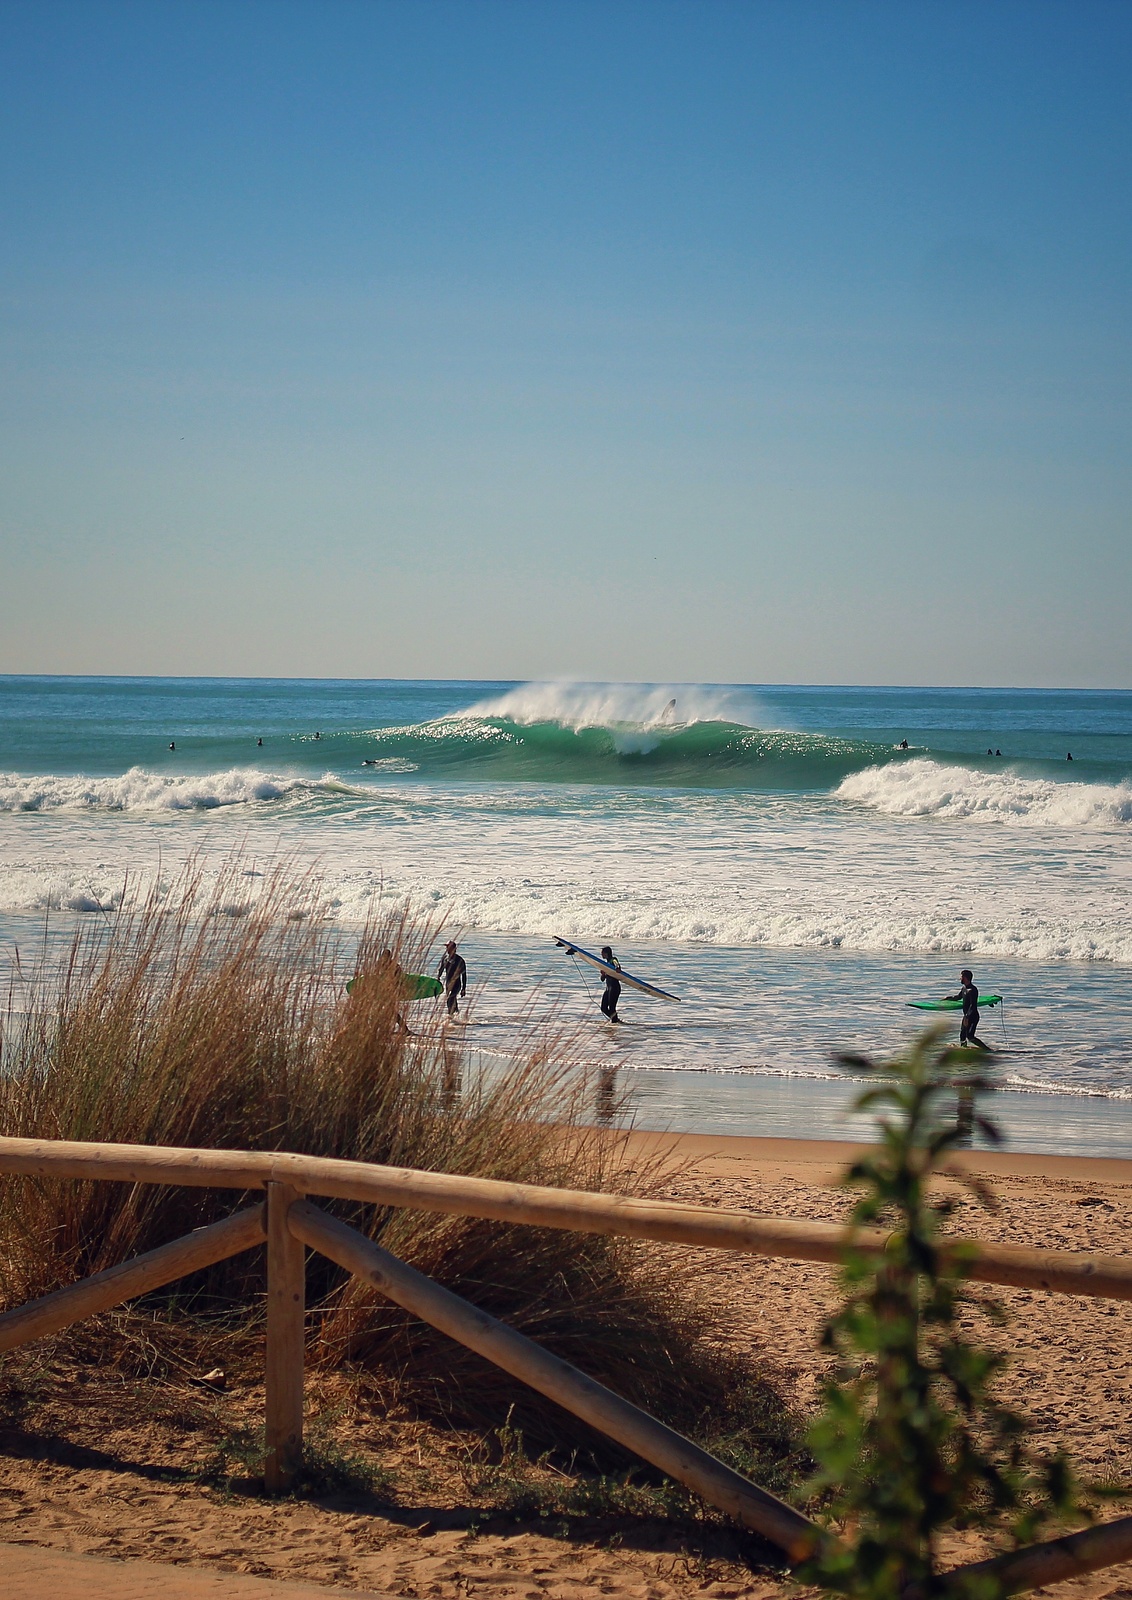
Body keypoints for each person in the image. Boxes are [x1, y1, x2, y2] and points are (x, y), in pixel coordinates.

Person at [944, 968, 989, 1050]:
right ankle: (963, 1050)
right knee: (962, 1035)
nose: (960, 978)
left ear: (965, 978)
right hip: (966, 1016)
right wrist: (948, 998)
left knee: (970, 1036)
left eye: (961, 977)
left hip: (973, 1017)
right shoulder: (964, 988)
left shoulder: (972, 990)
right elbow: (958, 997)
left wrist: (967, 1017)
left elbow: (973, 1005)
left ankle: (987, 1050)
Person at [438, 940, 467, 1017]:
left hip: (457, 985)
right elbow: (441, 969)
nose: (447, 949)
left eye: (449, 947)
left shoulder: (459, 960)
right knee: (452, 1000)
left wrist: (463, 988)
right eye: (447, 947)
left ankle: (450, 1016)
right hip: (448, 984)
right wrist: (438, 978)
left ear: (454, 948)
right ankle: (456, 1016)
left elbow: (464, 975)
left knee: (450, 999)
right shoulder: (445, 958)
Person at [599, 945, 622, 1023]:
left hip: (615, 987)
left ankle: (615, 1022)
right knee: (603, 1008)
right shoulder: (606, 965)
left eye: (602, 953)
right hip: (608, 988)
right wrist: (603, 974)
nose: (601, 955)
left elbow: (617, 964)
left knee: (612, 1008)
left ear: (606, 953)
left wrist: (618, 968)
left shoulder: (613, 960)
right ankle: (616, 1020)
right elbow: (602, 980)